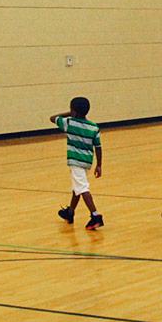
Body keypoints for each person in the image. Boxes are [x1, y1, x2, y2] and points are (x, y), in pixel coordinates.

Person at [52, 97, 104, 230]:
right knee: (77, 187)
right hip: (87, 161)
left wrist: (69, 113)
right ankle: (70, 212)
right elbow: (98, 146)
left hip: (75, 161)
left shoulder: (69, 122)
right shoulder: (94, 127)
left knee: (82, 188)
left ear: (73, 111)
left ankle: (95, 215)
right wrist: (99, 164)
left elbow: (53, 118)